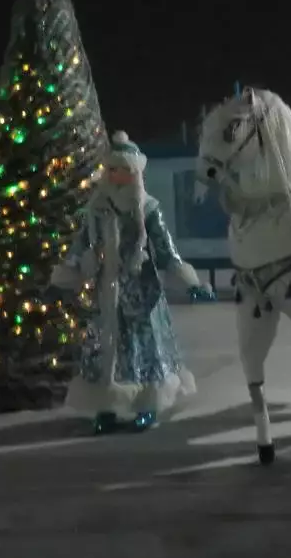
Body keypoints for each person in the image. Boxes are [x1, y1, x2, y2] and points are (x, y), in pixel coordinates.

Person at [51, 131, 213, 433]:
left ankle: (147, 405)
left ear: (135, 173)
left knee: (144, 350)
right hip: (105, 292)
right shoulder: (96, 210)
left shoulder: (148, 208)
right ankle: (107, 406)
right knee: (104, 349)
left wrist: (190, 283)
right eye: (112, 170)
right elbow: (79, 246)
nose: (117, 176)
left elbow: (166, 251)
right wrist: (70, 270)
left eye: (124, 170)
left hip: (141, 292)